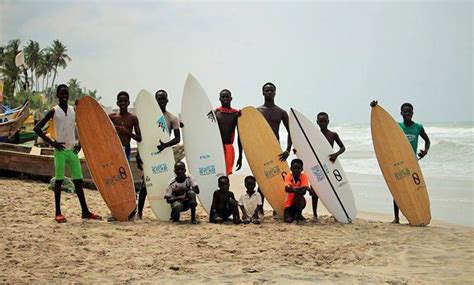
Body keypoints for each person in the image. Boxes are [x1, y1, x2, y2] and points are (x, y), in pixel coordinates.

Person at [33, 84, 102, 223]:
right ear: (57, 95)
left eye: (66, 94)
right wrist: (52, 143)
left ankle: (85, 211)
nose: (64, 96)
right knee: (58, 181)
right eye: (62, 94)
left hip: (72, 150)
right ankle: (58, 212)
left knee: (78, 181)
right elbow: (37, 128)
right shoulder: (53, 111)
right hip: (60, 151)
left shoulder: (73, 110)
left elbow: (83, 127)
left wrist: (81, 144)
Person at [370, 100, 431, 224]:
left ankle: (417, 214)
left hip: (412, 162)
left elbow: (427, 141)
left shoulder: (418, 127)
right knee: (398, 189)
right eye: (405, 112)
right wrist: (375, 108)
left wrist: (425, 151)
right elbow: (384, 133)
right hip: (399, 162)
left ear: (412, 113)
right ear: (401, 113)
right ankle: (396, 218)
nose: (407, 113)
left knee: (416, 187)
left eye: (409, 112)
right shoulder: (396, 127)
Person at [136, 89, 182, 219]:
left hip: (165, 154)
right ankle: (139, 213)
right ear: (155, 102)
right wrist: (140, 154)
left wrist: (165, 145)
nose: (161, 101)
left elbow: (177, 139)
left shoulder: (172, 118)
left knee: (168, 182)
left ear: (167, 100)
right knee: (145, 183)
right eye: (159, 99)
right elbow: (142, 139)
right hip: (151, 155)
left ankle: (170, 211)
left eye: (163, 99)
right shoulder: (148, 119)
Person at [256, 82, 292, 214]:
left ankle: (279, 207)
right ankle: (260, 208)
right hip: (262, 149)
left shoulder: (281, 112)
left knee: (279, 178)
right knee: (262, 179)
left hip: (276, 149)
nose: (269, 92)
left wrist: (288, 150)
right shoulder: (257, 112)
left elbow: (291, 131)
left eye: (271, 90)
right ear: (263, 92)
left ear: (275, 93)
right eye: (266, 90)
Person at [310, 112, 346, 219]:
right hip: (317, 165)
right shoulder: (314, 135)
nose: (322, 123)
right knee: (315, 190)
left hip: (329, 165)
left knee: (333, 189)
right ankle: (315, 214)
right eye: (320, 121)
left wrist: (336, 155)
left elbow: (343, 148)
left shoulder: (333, 135)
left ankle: (336, 212)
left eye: (324, 121)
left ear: (328, 121)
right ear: (317, 122)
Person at [215, 89, 243, 175]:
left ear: (231, 98)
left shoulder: (236, 114)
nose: (225, 99)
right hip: (217, 148)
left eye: (227, 97)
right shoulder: (216, 113)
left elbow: (240, 136)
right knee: (216, 173)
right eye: (223, 97)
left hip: (229, 147)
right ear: (219, 99)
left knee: (227, 173)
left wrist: (240, 156)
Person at [108, 91, 142, 161]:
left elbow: (139, 138)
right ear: (117, 103)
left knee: (126, 170)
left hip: (126, 147)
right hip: (114, 147)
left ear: (128, 103)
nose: (123, 103)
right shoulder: (112, 117)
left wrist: (126, 131)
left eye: (125, 101)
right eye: (120, 101)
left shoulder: (133, 118)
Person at [284, 158, 310, 224]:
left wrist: (293, 189)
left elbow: (303, 192)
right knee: (288, 220)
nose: (296, 170)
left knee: (299, 197)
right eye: (294, 168)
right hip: (289, 206)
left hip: (299, 203)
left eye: (298, 168)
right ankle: (296, 215)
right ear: (291, 168)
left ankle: (297, 217)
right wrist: (304, 187)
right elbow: (287, 189)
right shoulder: (288, 177)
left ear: (301, 169)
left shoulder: (304, 177)